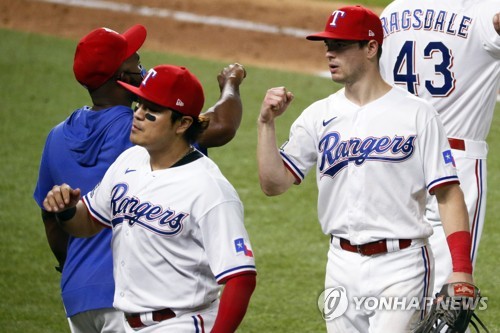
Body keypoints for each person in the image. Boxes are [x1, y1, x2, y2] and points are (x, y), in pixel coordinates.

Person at [256, 5, 474, 332]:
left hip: (402, 265)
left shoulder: (417, 114)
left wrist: (461, 269)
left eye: (341, 45)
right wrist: (265, 124)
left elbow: (447, 192)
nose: (330, 53)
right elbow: (274, 184)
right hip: (340, 264)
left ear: (371, 48)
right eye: (328, 45)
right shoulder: (319, 115)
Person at [33, 25, 247, 333]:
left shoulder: (55, 137)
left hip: (77, 295)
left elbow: (52, 219)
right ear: (123, 78)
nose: (141, 66)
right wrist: (230, 84)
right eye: (135, 61)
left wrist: (74, 269)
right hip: (134, 295)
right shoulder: (142, 134)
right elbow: (220, 125)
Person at [379, 0, 500, 296]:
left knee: (393, 272)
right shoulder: (484, 12)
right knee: (448, 286)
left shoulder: (394, 11)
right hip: (455, 158)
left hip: (393, 153)